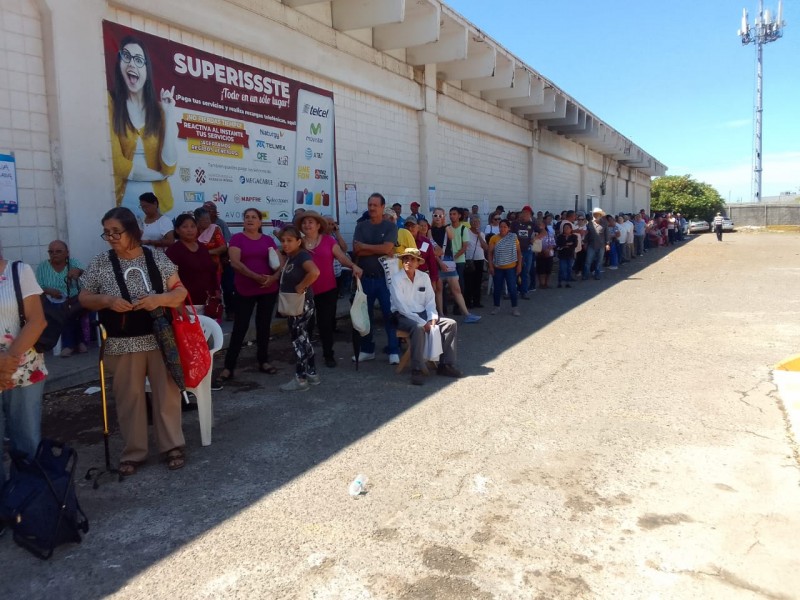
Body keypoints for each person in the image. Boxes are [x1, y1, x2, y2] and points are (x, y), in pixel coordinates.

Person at [79, 207, 187, 475]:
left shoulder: (158, 259)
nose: (112, 237)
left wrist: (158, 299)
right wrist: (107, 300)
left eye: (117, 231)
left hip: (159, 338)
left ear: (133, 231)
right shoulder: (101, 263)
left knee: (167, 395)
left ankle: (172, 445)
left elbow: (180, 292)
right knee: (130, 398)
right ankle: (134, 451)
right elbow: (84, 297)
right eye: (107, 232)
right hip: (122, 342)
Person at [109, 35, 177, 212]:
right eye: (126, 57)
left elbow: (169, 167)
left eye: (139, 60)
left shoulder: (160, 111)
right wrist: (159, 176)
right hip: (123, 208)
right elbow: (117, 163)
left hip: (160, 207)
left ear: (147, 70)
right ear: (119, 64)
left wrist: (169, 116)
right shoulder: (110, 102)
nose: (132, 64)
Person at [216, 208, 283, 385]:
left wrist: (273, 278)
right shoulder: (237, 239)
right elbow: (235, 263)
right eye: (247, 217)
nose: (250, 220)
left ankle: (263, 361)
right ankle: (229, 367)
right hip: (245, 289)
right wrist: (256, 277)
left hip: (268, 289)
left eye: (254, 217)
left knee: (264, 326)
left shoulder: (268, 239)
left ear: (260, 222)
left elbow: (279, 263)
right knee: (240, 327)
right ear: (243, 221)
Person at [0, 253, 47, 486]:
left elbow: (37, 320)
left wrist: (8, 359)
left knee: (27, 442)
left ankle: (28, 505)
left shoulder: (20, 272)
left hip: (24, 371)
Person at [383, 248, 463, 386]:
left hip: (423, 314)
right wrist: (422, 321)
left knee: (450, 324)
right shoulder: (396, 279)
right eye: (406, 259)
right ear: (402, 261)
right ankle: (417, 369)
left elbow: (430, 301)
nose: (409, 261)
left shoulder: (424, 277)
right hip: (402, 315)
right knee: (418, 327)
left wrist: (432, 317)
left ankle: (445, 365)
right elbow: (401, 307)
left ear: (418, 263)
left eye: (412, 259)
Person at [297, 211, 362, 368]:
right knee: (307, 325)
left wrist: (353, 265)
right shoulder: (298, 243)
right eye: (304, 222)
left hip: (327, 290)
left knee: (326, 324)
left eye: (310, 222)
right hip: (305, 291)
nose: (307, 225)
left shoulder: (328, 241)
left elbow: (341, 257)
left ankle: (328, 355)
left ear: (318, 225)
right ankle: (305, 355)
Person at [352, 193, 400, 364]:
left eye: (375, 205)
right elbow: (357, 251)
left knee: (389, 314)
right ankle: (367, 349)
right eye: (369, 204)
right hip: (365, 279)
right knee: (365, 316)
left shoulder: (390, 227)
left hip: (385, 280)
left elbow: (388, 248)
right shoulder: (361, 226)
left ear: (382, 207)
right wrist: (377, 249)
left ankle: (394, 350)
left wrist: (365, 247)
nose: (372, 208)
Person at [277, 226, 321, 392]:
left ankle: (300, 378)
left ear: (299, 242)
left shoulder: (302, 256)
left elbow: (315, 272)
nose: (285, 244)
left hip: (300, 304)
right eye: (283, 240)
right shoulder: (292, 257)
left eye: (289, 240)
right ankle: (312, 373)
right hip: (298, 303)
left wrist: (301, 286)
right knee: (304, 339)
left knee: (298, 341)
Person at [36, 240, 87, 357]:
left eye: (58, 251)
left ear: (67, 253)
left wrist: (79, 272)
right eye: (51, 252)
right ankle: (78, 342)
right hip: (50, 301)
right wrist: (48, 290)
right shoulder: (43, 266)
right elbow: (37, 287)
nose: (54, 254)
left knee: (69, 309)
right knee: (63, 310)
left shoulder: (73, 263)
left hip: (73, 299)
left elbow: (90, 278)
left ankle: (69, 344)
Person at [430, 208, 480, 323]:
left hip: (449, 260)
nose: (437, 217)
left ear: (444, 216)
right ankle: (441, 315)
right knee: (439, 290)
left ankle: (467, 314)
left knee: (456, 289)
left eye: (440, 215)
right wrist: (439, 262)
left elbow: (451, 237)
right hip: (437, 262)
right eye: (435, 215)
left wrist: (445, 226)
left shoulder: (447, 228)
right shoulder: (430, 230)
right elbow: (432, 249)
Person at [165, 214, 220, 312]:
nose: (190, 230)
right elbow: (168, 279)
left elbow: (211, 272)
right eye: (185, 227)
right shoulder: (173, 251)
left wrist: (216, 291)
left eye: (192, 226)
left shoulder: (202, 248)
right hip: (185, 303)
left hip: (207, 301)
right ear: (177, 230)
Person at [488, 219, 522, 316]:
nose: (502, 229)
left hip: (511, 267)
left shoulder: (513, 237)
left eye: (505, 227)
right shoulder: (494, 238)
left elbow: (519, 252)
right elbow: (490, 253)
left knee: (512, 288)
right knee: (497, 288)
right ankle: (496, 307)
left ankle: (515, 308)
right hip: (498, 267)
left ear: (509, 228)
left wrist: (519, 265)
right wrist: (491, 266)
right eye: (501, 226)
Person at [194, 207, 227, 281]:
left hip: (213, 266)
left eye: (208, 219)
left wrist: (206, 252)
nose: (208, 221)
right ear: (198, 220)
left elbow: (223, 247)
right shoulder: (192, 230)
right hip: (195, 266)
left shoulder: (214, 229)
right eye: (205, 219)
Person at [512, 205, 537, 298]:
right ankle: (514, 290)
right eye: (524, 213)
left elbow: (544, 232)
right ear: (521, 213)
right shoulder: (515, 223)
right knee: (515, 271)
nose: (526, 215)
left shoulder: (532, 224)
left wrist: (536, 238)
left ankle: (524, 291)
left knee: (526, 272)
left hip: (528, 251)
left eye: (528, 213)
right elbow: (510, 234)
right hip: (516, 251)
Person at [464, 215, 488, 308]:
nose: (475, 223)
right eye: (474, 221)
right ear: (470, 223)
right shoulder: (466, 232)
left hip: (479, 259)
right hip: (469, 260)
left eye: (477, 222)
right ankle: (468, 302)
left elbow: (485, 247)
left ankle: (477, 301)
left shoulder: (481, 234)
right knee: (469, 282)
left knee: (478, 282)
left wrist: (479, 235)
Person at [583, 208, 608, 281]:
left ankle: (597, 275)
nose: (596, 216)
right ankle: (586, 275)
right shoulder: (589, 223)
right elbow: (587, 234)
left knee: (599, 261)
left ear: (600, 215)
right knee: (588, 261)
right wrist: (585, 242)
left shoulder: (605, 223)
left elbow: (607, 234)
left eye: (598, 214)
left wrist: (607, 244)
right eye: (595, 214)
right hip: (591, 244)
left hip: (601, 245)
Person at [556, 223, 578, 288]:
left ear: (571, 229)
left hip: (570, 254)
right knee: (562, 269)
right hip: (562, 255)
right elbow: (559, 244)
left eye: (568, 228)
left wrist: (565, 245)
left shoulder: (574, 236)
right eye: (565, 228)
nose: (566, 229)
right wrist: (568, 244)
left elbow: (574, 245)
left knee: (569, 269)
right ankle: (560, 282)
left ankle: (567, 282)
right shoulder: (560, 236)